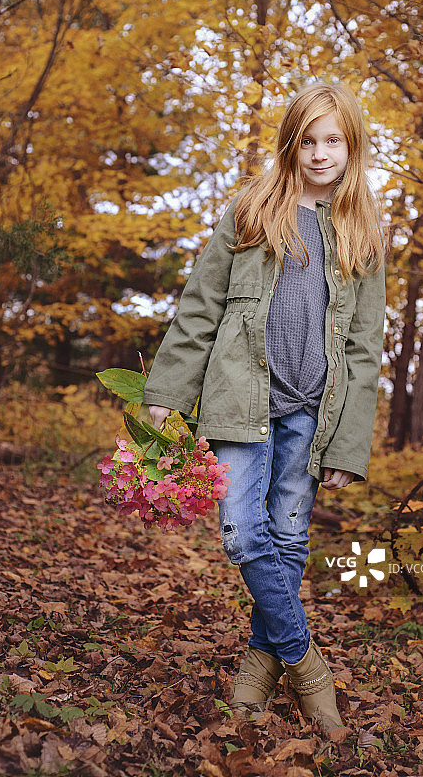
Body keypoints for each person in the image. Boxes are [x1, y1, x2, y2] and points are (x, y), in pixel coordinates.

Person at [143, 81, 387, 736]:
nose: (319, 153)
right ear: (290, 143)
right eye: (307, 139)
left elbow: (364, 347)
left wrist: (345, 444)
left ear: (350, 144)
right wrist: (168, 388)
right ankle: (307, 664)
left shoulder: (359, 228)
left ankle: (258, 664)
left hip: (311, 411)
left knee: (285, 539)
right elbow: (200, 304)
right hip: (242, 401)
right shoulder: (251, 211)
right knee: (243, 535)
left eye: (332, 139)